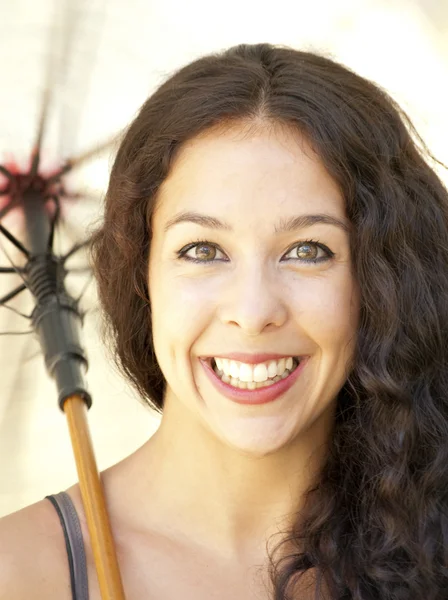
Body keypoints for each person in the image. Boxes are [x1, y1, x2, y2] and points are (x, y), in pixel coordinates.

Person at [1, 42, 447, 600]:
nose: (254, 312)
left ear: (380, 281)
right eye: (202, 250)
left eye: (308, 250)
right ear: (141, 274)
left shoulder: (433, 546)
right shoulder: (17, 574)